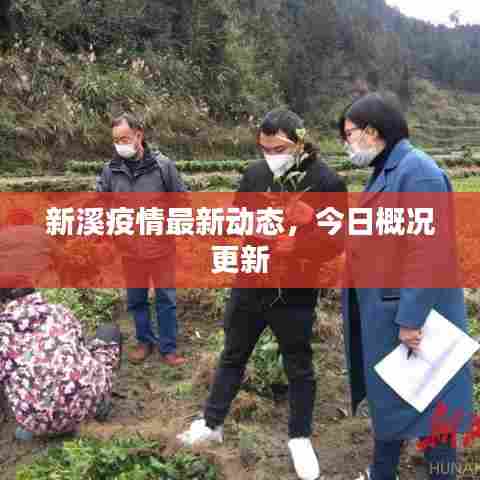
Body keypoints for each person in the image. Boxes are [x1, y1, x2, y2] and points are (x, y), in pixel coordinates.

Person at [178, 109, 347, 480]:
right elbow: (240, 217)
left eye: (279, 148)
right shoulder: (255, 174)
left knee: (298, 365)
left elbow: (337, 241)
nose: (271, 155)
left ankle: (300, 438)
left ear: (299, 142)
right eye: (265, 148)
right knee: (233, 353)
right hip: (251, 281)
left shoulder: (326, 182)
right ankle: (212, 423)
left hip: (295, 291)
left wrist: (302, 237)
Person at [338, 93, 473, 480]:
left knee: (434, 412)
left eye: (349, 135)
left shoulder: (418, 172)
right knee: (395, 401)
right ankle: (381, 472)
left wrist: (411, 319)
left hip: (417, 320)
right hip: (389, 313)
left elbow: (429, 252)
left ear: (372, 131)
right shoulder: (386, 170)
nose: (346, 144)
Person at [96, 112, 187, 367]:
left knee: (166, 299)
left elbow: (182, 199)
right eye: (116, 140)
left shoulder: (162, 166)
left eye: (124, 138)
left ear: (139, 135)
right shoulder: (111, 170)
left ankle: (168, 347)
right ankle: (144, 341)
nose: (120, 144)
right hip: (129, 249)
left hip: (161, 247)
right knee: (136, 299)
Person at [0, 286, 122, 441]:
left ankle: (34, 426)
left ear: (3, 302)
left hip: (38, 422)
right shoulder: (60, 311)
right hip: (87, 405)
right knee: (109, 330)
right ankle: (100, 405)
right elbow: (79, 350)